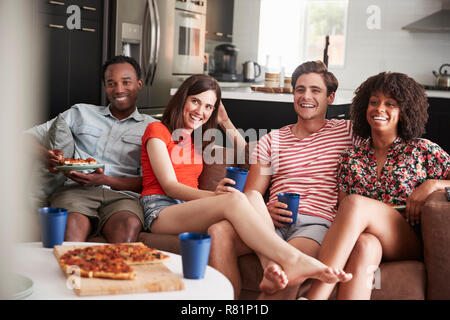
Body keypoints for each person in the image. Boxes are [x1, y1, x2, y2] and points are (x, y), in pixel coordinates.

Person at [139, 73, 351, 291]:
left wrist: (224, 122)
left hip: (187, 210)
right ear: (182, 98)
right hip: (160, 210)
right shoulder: (157, 130)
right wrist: (217, 198)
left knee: (248, 198)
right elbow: (169, 186)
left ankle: (268, 267)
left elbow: (248, 155)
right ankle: (291, 259)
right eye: (195, 101)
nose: (200, 111)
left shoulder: (192, 143)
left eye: (208, 107)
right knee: (237, 199)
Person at [207, 60, 363, 300]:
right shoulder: (272, 140)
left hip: (316, 223)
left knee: (289, 270)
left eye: (315, 90)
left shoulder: (348, 132)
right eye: (300, 89)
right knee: (218, 231)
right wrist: (266, 211)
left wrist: (435, 183)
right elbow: (252, 195)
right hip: (270, 223)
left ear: (330, 98)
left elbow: (392, 144)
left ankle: (277, 269)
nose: (305, 96)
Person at [305, 72, 450, 300]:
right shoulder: (351, 158)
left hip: (406, 238)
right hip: (367, 238)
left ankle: (313, 297)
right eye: (374, 102)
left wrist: (432, 184)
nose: (379, 109)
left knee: (355, 204)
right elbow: (342, 213)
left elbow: (350, 206)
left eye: (390, 104)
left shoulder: (422, 150)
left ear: (404, 111)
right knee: (365, 245)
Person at [26, 55, 157, 243]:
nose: (119, 90)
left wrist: (105, 179)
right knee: (72, 226)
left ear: (139, 84)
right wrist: (45, 155)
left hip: (123, 197)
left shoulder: (152, 127)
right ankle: (71, 271)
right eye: (111, 83)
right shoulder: (80, 113)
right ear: (105, 87)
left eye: (126, 82)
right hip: (75, 192)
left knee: (129, 225)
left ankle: (114, 271)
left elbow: (150, 181)